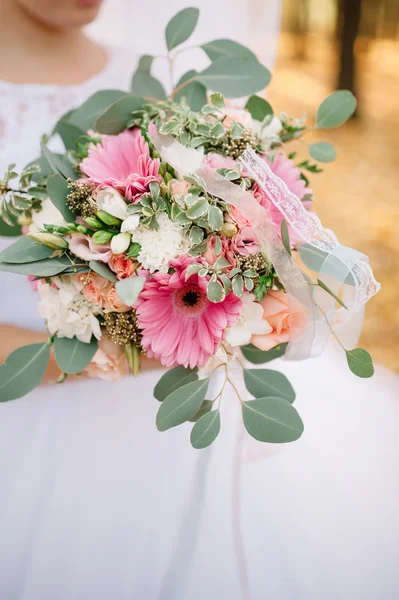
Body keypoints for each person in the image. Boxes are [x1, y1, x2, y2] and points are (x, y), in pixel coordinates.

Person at [0, 1, 398, 599]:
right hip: (37, 420)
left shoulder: (166, 85)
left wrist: (248, 290)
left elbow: (254, 221)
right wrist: (123, 347)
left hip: (191, 407)